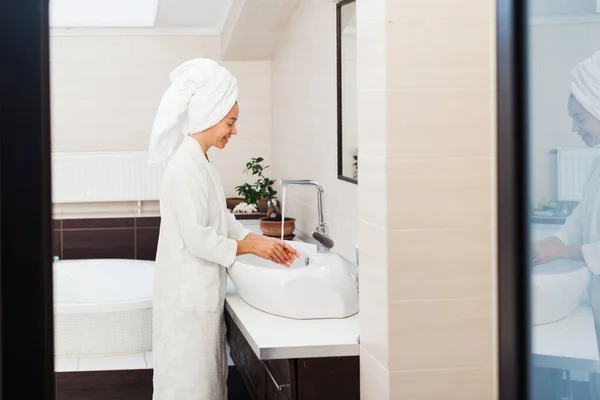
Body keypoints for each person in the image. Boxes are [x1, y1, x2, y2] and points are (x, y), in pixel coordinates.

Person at [148, 58, 300, 400]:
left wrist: (261, 240)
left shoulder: (200, 162)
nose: (235, 131)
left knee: (205, 384)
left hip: (198, 296)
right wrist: (253, 249)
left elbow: (223, 221)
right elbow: (198, 238)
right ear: (208, 115)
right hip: (185, 301)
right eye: (230, 122)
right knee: (188, 387)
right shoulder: (184, 168)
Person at [532, 50, 600, 398]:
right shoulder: (597, 164)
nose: (575, 127)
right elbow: (580, 220)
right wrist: (551, 244)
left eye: (579, 117)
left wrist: (566, 251)